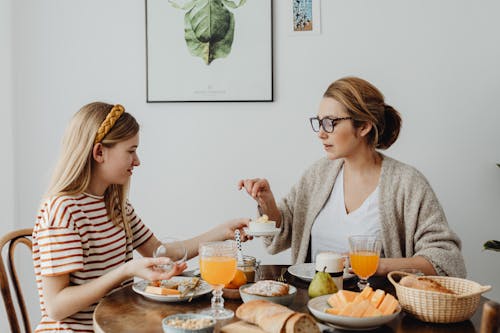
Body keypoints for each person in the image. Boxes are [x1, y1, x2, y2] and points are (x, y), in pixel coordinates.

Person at [32, 102, 250, 333]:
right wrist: (126, 271)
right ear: (99, 152)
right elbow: (56, 307)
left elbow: (162, 252)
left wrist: (223, 231)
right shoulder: (63, 210)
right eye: (130, 151)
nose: (137, 161)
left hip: (118, 325)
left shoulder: (115, 205)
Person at [239, 76, 466, 278]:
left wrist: (379, 266)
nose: (321, 132)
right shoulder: (317, 175)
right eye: (318, 122)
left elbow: (446, 260)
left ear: (364, 127)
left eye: (330, 122)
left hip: (378, 308)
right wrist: (267, 203)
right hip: (314, 302)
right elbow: (282, 233)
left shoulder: (407, 183)